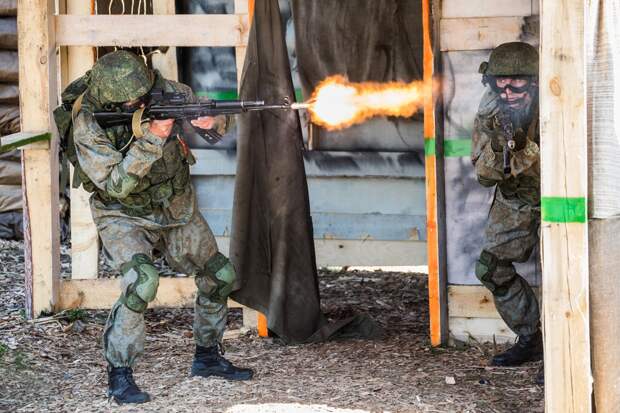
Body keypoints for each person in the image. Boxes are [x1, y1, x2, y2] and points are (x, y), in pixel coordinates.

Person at [58, 50, 253, 404]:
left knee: (220, 274)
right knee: (141, 282)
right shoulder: (87, 121)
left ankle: (207, 357)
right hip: (123, 212)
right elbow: (116, 186)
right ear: (112, 98)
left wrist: (212, 124)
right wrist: (152, 137)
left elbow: (216, 122)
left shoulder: (168, 91)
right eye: (133, 100)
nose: (142, 101)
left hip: (174, 204)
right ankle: (119, 374)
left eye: (143, 95)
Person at [471, 42, 543, 383]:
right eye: (501, 82)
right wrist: (500, 147)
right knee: (491, 267)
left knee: (566, 274)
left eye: (517, 82)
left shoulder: (555, 101)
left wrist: (524, 148)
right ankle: (532, 338)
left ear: (534, 80)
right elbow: (483, 176)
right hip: (516, 197)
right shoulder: (490, 111)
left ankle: (565, 350)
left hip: (561, 196)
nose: (508, 90)